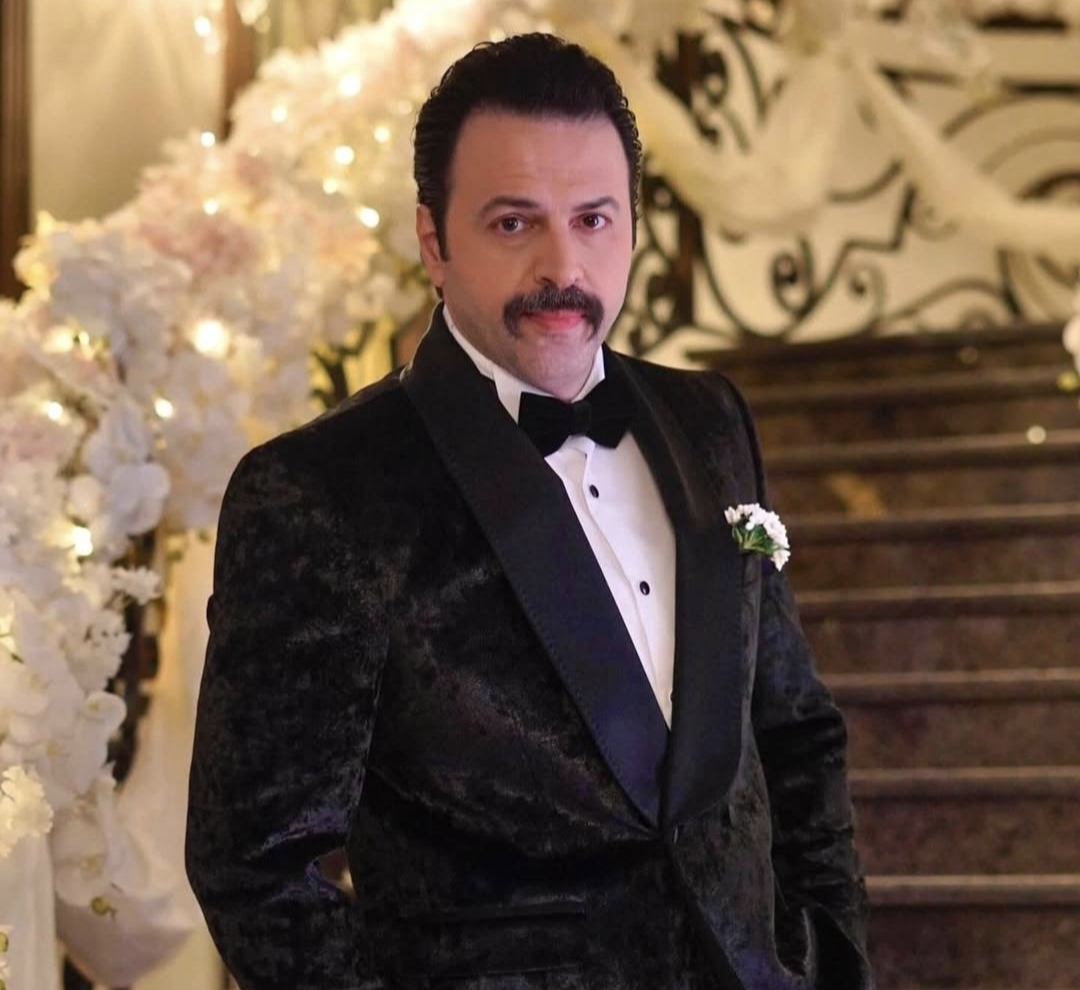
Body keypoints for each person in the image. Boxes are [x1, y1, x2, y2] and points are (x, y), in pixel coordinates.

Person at [185, 32, 873, 990]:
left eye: (594, 219)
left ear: (633, 226)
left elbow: (796, 734)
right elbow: (254, 868)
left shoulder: (711, 420)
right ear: (434, 240)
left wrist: (833, 958)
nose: (564, 266)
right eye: (515, 223)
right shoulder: (316, 491)